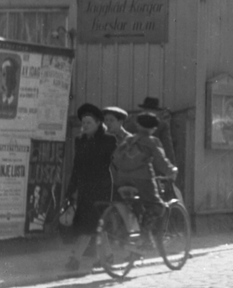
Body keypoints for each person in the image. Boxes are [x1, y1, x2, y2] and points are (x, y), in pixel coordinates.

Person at [103, 105, 178, 245]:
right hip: (143, 179)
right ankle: (145, 237)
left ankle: (132, 232)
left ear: (137, 125)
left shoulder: (128, 140)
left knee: (135, 204)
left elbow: (116, 157)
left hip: (122, 179)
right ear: (153, 128)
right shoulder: (151, 141)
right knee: (156, 206)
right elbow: (161, 161)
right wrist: (171, 171)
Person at [61, 103, 116, 273]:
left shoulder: (109, 140)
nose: (84, 126)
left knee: (88, 225)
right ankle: (107, 256)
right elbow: (76, 168)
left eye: (88, 123)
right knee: (96, 224)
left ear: (98, 123)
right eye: (83, 123)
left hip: (101, 188)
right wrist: (70, 191)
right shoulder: (80, 141)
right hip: (85, 189)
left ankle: (75, 259)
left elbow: (111, 163)